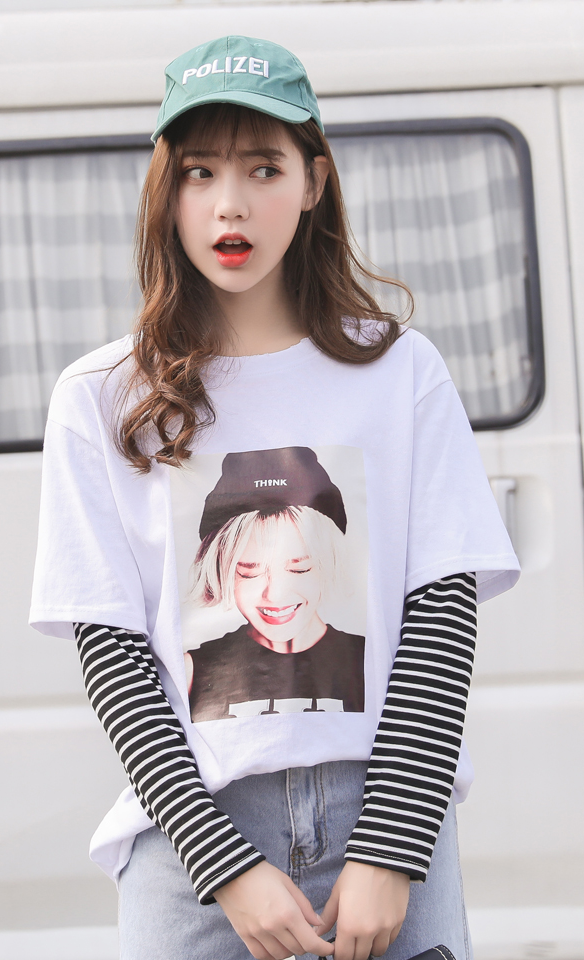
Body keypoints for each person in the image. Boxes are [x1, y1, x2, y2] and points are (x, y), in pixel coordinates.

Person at [29, 34, 520, 960]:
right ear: (166, 190)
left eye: (264, 168)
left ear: (314, 181)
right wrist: (226, 865)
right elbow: (112, 650)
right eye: (200, 171)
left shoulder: (400, 372)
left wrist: (392, 848)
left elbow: (441, 610)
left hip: (386, 815)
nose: (231, 204)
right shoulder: (102, 398)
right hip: (195, 838)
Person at [186, 446, 365, 721]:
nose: (276, 594)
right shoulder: (192, 671)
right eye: (249, 573)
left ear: (327, 564)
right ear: (222, 572)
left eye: (299, 569)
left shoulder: (370, 661)